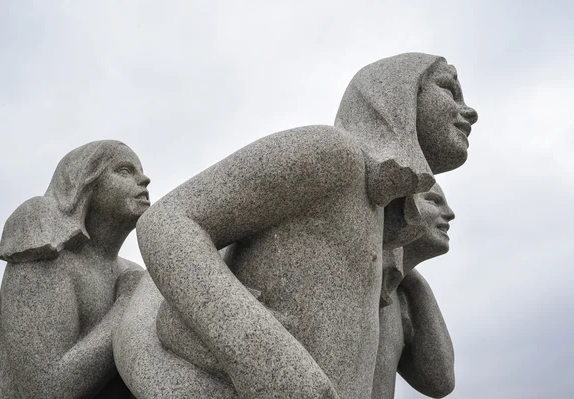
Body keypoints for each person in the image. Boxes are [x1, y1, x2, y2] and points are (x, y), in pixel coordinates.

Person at [114, 53, 478, 399]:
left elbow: (437, 380)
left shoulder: (377, 219)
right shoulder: (336, 154)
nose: (470, 111)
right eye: (448, 89)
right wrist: (269, 360)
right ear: (395, 93)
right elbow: (168, 221)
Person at [0, 140, 150, 399]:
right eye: (125, 171)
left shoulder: (130, 271)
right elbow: (46, 389)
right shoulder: (47, 247)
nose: (145, 180)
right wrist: (126, 303)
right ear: (83, 185)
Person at [374, 183, 456, 399]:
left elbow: (440, 381)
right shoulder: (356, 268)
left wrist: (415, 282)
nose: (450, 214)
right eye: (433, 200)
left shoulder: (400, 292)